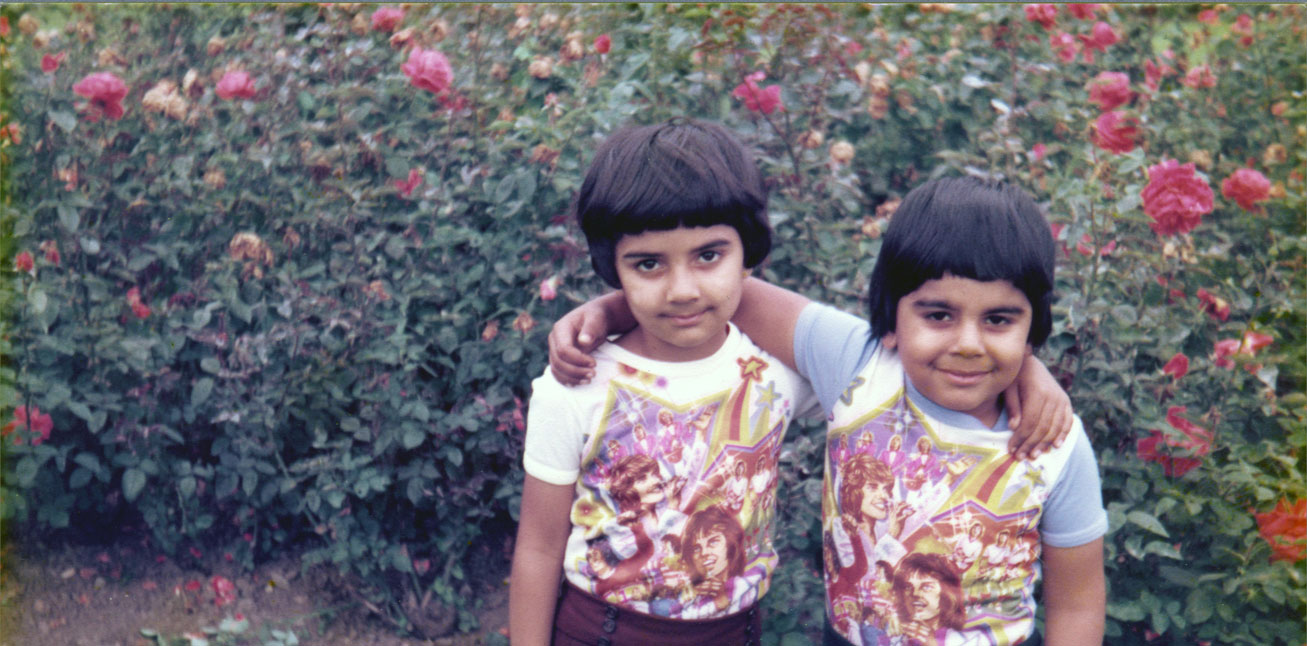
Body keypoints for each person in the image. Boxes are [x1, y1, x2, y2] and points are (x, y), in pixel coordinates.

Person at [548, 176, 1106, 645]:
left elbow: (1076, 605)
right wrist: (608, 309)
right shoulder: (859, 366)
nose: (967, 344)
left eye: (999, 321)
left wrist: (1029, 366)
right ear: (891, 318)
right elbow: (723, 294)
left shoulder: (1052, 443)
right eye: (938, 315)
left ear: (1034, 325)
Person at [508, 118, 819, 646]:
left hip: (734, 633)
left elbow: (899, 370)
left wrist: (1015, 363)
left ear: (749, 250)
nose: (681, 290)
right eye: (648, 263)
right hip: (603, 632)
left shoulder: (779, 370)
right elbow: (538, 548)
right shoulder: (576, 384)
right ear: (614, 269)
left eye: (708, 255)